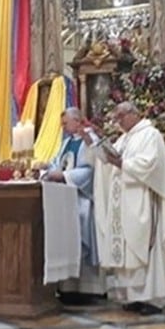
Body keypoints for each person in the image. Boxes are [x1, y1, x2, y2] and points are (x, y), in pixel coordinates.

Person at [87, 101, 165, 316]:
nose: (118, 121)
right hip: (121, 203)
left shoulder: (151, 135)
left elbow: (149, 164)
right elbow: (109, 163)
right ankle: (131, 297)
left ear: (134, 114)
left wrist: (122, 164)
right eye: (116, 117)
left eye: (121, 116)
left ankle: (150, 298)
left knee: (143, 247)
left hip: (142, 201)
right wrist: (99, 150)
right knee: (125, 249)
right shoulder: (123, 138)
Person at [43, 107, 105, 305]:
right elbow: (58, 164)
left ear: (77, 121)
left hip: (83, 198)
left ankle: (89, 288)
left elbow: (92, 170)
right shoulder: (67, 142)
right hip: (64, 199)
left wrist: (64, 176)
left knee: (83, 230)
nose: (63, 127)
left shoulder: (90, 140)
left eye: (65, 123)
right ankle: (67, 286)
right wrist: (48, 168)